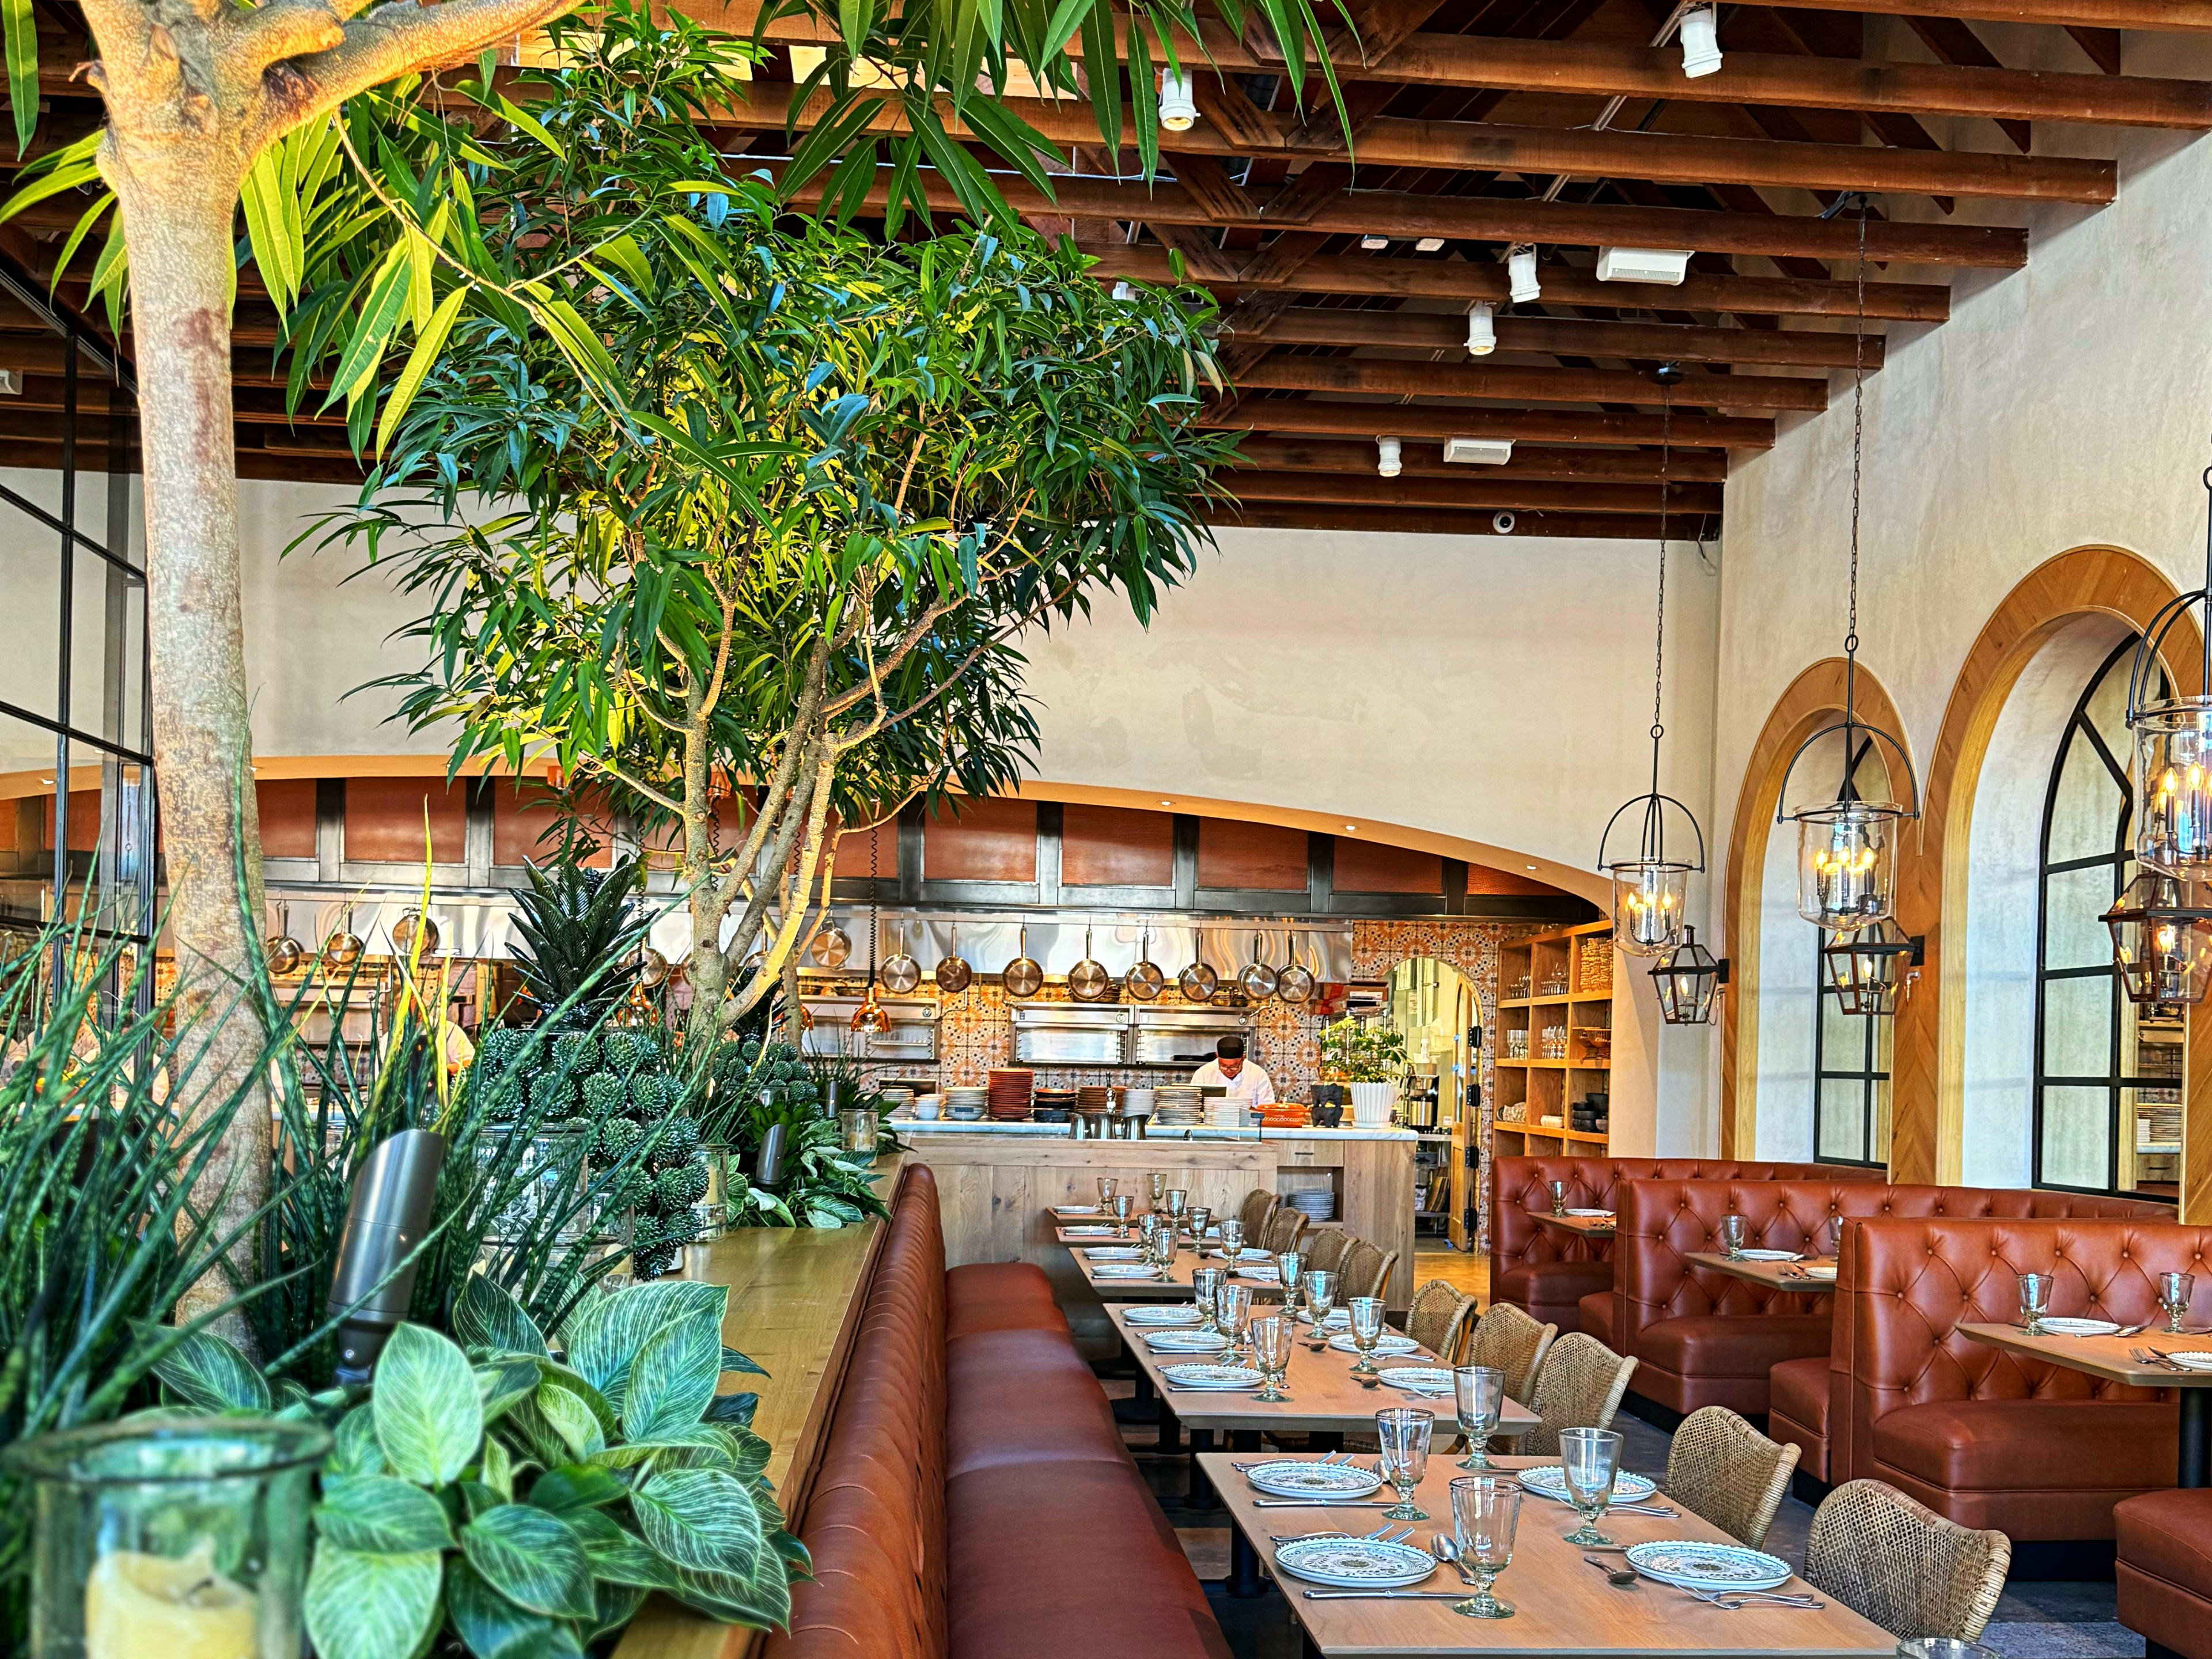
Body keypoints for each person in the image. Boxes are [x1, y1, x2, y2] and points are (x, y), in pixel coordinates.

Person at [1191, 1035, 1275, 1107]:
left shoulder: (1258, 1074)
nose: (1229, 1071)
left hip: (1248, 1125)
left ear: (1243, 1058)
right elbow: (1192, 1104)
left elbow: (1267, 1107)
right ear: (1217, 1056)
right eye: (1223, 1066)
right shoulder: (1203, 1074)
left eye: (1234, 1066)